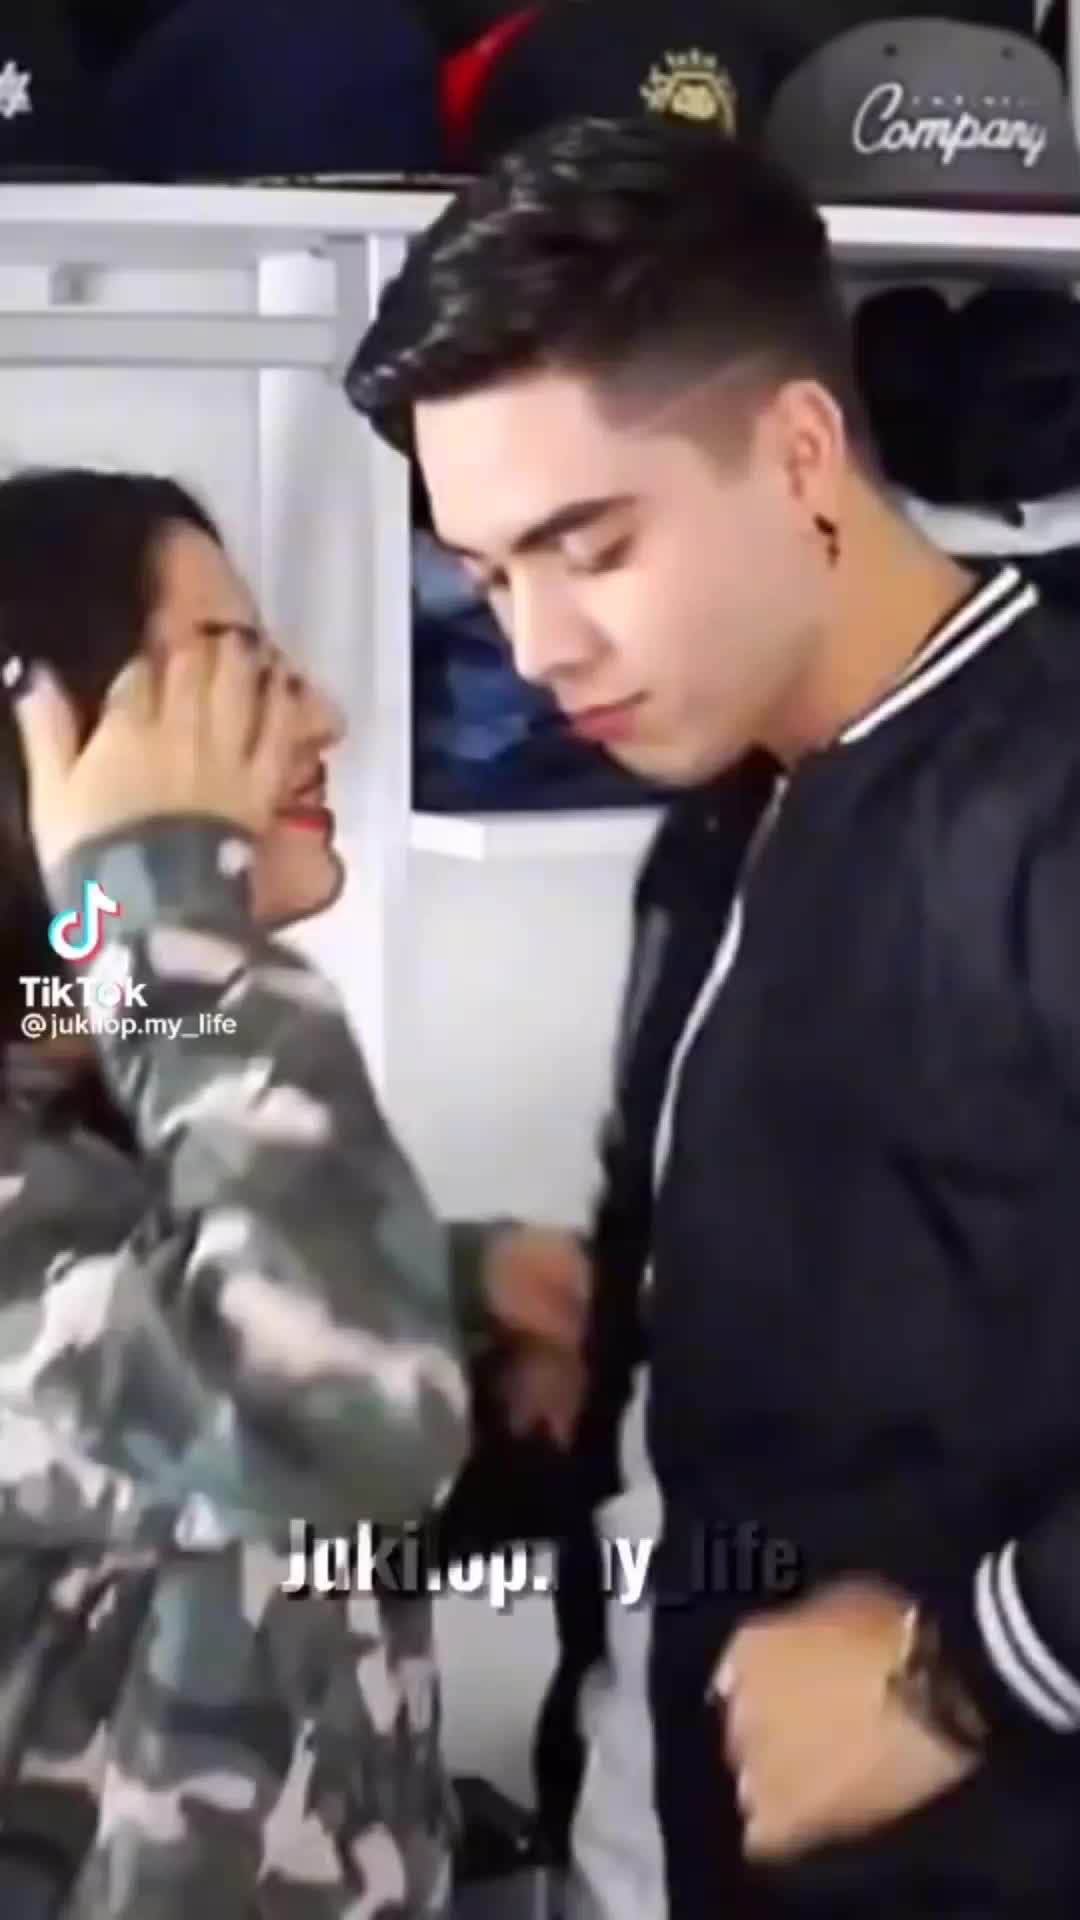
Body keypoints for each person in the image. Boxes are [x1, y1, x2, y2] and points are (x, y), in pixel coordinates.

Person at [346, 114, 1080, 1919]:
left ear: (803, 454)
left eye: (588, 548)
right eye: (489, 576)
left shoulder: (1046, 812)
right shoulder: (712, 824)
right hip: (630, 1831)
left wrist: (973, 1669)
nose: (535, 650)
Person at [0, 467, 586, 1919]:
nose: (321, 717)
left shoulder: (113, 1060)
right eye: (236, 669)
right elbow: (326, 1415)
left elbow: (191, 1481)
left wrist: (459, 1298)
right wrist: (154, 904)